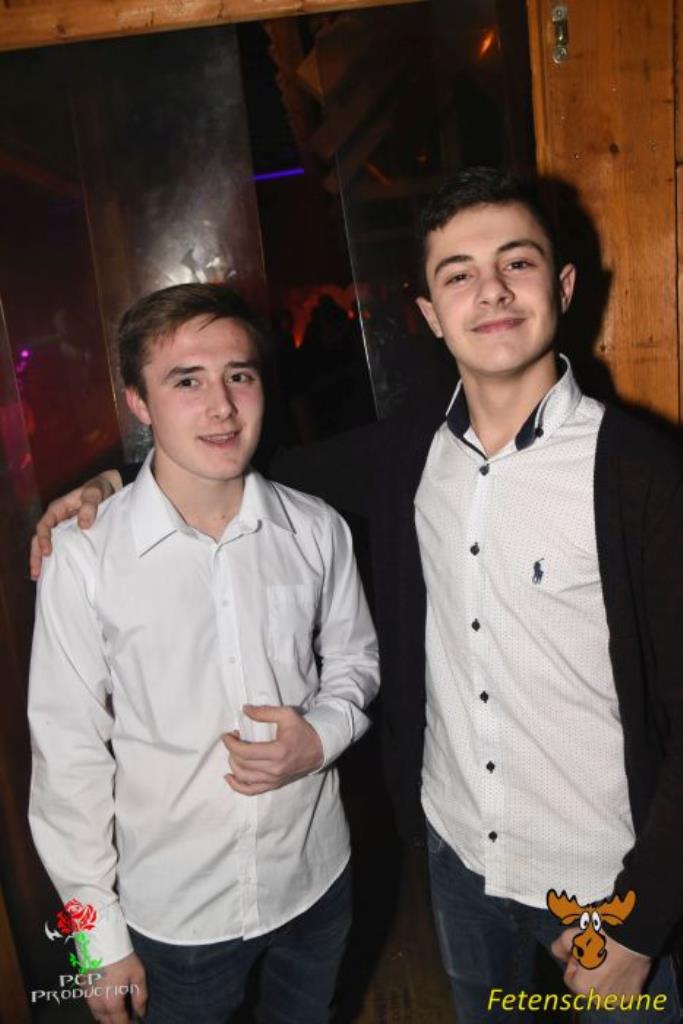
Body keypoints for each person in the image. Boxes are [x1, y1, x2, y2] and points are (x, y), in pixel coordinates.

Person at [31, 169, 683, 1022]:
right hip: (451, 860)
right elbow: (221, 463)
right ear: (429, 312)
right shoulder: (402, 456)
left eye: (516, 263)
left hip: (600, 885)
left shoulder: (643, 474)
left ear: (562, 286)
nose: (490, 291)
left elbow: (349, 651)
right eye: (458, 274)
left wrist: (643, 919)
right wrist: (111, 482)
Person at [28, 283, 379, 1024]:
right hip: (174, 920)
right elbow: (66, 757)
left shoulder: (317, 528)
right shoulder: (85, 557)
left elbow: (355, 662)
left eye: (238, 375)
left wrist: (322, 736)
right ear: (139, 401)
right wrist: (93, 944)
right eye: (186, 381)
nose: (221, 406)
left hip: (316, 879)